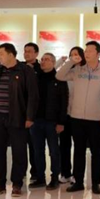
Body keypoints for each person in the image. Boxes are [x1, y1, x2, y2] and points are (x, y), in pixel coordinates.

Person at [0, 43, 39, 197]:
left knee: (19, 151)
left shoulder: (25, 70)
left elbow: (33, 95)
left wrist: (30, 117)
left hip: (17, 116)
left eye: (1, 54)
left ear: (11, 55)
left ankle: (17, 184)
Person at [56, 41, 100, 195]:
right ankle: (78, 182)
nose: (86, 53)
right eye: (86, 50)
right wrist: (70, 61)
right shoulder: (77, 70)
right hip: (76, 117)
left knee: (97, 152)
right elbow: (59, 75)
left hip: (96, 118)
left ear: (98, 54)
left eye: (90, 51)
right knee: (78, 151)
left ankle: (95, 183)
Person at [30, 52, 69, 190]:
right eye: (42, 59)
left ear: (53, 62)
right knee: (37, 150)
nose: (43, 62)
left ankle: (54, 178)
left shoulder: (59, 79)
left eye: (47, 59)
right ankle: (40, 178)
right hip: (36, 121)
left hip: (52, 121)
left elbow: (64, 102)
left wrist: (61, 122)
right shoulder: (35, 79)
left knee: (54, 151)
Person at [56, 46, 84, 184]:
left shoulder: (84, 72)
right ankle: (65, 172)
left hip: (79, 115)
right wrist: (62, 62)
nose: (74, 56)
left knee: (79, 146)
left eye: (77, 54)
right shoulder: (67, 72)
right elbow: (55, 73)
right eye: (72, 54)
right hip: (65, 115)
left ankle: (77, 175)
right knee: (64, 145)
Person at [24, 42, 43, 182]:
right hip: (20, 111)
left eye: (30, 51)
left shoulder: (40, 69)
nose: (27, 53)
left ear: (36, 53)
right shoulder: (19, 67)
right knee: (19, 145)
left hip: (35, 113)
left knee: (34, 145)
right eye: (25, 51)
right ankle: (20, 171)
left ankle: (35, 172)